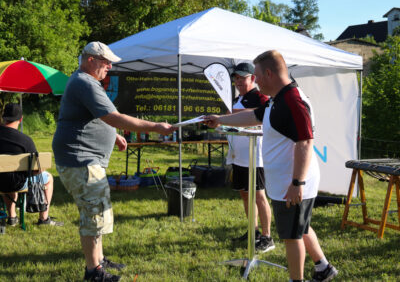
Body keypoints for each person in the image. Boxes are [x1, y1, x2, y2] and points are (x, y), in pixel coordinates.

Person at [203, 50, 338, 282]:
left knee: (291, 235)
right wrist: (220, 120)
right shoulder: (279, 97)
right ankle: (323, 267)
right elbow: (255, 115)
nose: (255, 81)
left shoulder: (293, 100)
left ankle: (296, 279)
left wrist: (297, 183)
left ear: (268, 73)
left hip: (293, 181)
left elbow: (305, 142)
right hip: (288, 179)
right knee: (300, 227)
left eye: (256, 76)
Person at [52, 41, 176, 282]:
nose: (109, 66)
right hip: (81, 160)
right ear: (90, 60)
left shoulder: (84, 81)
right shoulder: (85, 82)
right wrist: (155, 127)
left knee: (96, 210)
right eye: (105, 61)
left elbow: (91, 118)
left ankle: (98, 260)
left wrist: (114, 135)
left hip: (84, 159)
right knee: (93, 214)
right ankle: (93, 272)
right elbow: (113, 116)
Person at [227, 63, 274, 253]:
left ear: (253, 79)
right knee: (245, 194)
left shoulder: (261, 97)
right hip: (238, 155)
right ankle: (253, 231)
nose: (238, 82)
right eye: (236, 78)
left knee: (259, 195)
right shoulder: (238, 98)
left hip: (255, 155)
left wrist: (227, 114)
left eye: (242, 78)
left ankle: (267, 236)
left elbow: (261, 115)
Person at [0, 103, 63, 227]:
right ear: (21, 119)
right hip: (18, 182)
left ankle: (12, 217)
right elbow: (37, 168)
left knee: (6, 178)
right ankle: (44, 219)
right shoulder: (25, 140)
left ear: (3, 117)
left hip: (0, 181)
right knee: (49, 178)